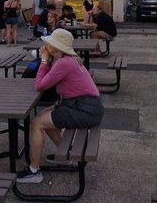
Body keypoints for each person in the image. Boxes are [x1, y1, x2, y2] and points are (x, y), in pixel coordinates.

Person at [16, 29, 104, 184]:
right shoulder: (67, 58)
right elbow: (51, 77)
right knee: (45, 114)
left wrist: (43, 61)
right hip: (85, 105)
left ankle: (34, 171)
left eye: (49, 42)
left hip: (85, 109)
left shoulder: (64, 62)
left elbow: (40, 85)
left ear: (56, 47)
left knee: (37, 123)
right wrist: (47, 61)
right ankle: (64, 155)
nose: (46, 44)